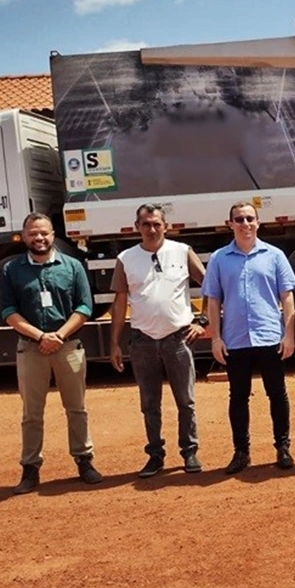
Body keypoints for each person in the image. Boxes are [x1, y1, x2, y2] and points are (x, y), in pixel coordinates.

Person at [0, 213, 102, 494]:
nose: (39, 238)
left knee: (77, 408)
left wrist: (59, 335)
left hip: (68, 347)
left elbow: (84, 307)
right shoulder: (12, 270)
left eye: (43, 233)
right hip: (31, 348)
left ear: (53, 234)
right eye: (33, 233)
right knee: (32, 413)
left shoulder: (72, 266)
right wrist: (41, 336)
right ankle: (30, 469)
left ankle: (85, 461)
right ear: (24, 237)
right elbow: (8, 311)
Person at [110, 204, 208, 477]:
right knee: (149, 404)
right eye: (146, 224)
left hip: (178, 339)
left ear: (166, 226)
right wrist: (114, 343)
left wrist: (203, 322)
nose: (151, 229)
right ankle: (155, 455)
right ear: (136, 227)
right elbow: (119, 303)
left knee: (185, 401)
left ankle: (189, 453)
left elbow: (211, 286)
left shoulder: (182, 251)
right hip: (142, 341)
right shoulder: (126, 258)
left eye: (156, 224)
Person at [201, 202, 295, 474]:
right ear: (229, 223)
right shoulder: (220, 258)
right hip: (235, 339)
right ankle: (241, 452)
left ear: (258, 222)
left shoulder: (275, 255)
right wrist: (216, 338)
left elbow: (287, 297)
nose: (245, 224)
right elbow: (213, 300)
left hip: (269, 336)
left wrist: (288, 334)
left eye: (249, 219)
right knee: (238, 396)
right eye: (239, 219)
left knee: (277, 394)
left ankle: (283, 447)